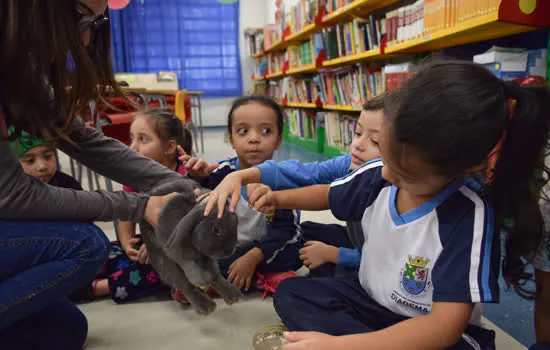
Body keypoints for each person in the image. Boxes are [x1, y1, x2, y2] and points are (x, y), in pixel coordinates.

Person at [206, 60, 550, 349]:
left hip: (435, 333)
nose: (385, 173)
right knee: (293, 292)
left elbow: (444, 325)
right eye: (384, 155)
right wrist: (277, 198)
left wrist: (340, 345)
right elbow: (329, 193)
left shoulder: (469, 215)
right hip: (371, 302)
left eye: (405, 174)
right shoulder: (381, 171)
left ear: (466, 167)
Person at [0, 1, 186, 348]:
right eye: (81, 17)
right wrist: (138, 205)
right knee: (84, 245)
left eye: (97, 21)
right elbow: (12, 195)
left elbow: (82, 139)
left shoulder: (20, 68)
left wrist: (180, 184)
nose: (86, 39)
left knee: (64, 330)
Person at [200, 94, 385, 277]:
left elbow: (325, 197)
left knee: (294, 281)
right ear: (230, 138)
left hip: (382, 258)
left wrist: (337, 255)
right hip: (360, 241)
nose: (358, 145)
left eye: (375, 141)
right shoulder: (349, 163)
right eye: (357, 133)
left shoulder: (390, 185)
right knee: (307, 233)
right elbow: (309, 172)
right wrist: (198, 175)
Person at [72, 109, 194, 303]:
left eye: (143, 140)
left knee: (150, 271)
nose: (132, 147)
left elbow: (188, 228)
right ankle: (78, 279)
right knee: (102, 251)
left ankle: (97, 288)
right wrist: (127, 243)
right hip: (146, 243)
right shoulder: (134, 178)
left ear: (170, 147)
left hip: (179, 249)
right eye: (132, 139)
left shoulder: (185, 177)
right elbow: (126, 216)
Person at [186, 96, 303, 293]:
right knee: (195, 247)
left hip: (266, 249)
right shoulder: (223, 171)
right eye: (243, 131)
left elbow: (285, 230)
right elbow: (199, 197)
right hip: (229, 247)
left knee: (298, 249)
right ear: (232, 139)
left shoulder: (284, 180)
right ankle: (250, 277)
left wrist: (254, 256)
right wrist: (197, 175)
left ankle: (250, 276)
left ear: (278, 141)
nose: (254, 139)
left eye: (266, 131)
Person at [9, 128, 83, 191]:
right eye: (30, 160)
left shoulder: (68, 185)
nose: (42, 166)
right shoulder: (9, 195)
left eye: (47, 156)